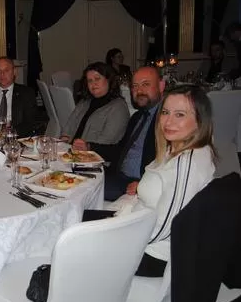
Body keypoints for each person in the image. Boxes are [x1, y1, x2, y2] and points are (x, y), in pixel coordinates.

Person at [113, 84, 216, 277]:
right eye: (165, 112)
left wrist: (121, 239)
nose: (168, 121)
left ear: (199, 120)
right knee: (77, 221)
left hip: (154, 253)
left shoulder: (187, 161)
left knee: (73, 249)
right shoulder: (175, 147)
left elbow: (169, 226)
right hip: (139, 230)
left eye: (180, 114)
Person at [80, 66, 165, 201]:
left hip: (136, 182)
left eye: (145, 84)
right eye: (135, 86)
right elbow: (119, 150)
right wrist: (90, 147)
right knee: (75, 178)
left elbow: (170, 163)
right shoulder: (137, 117)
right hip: (117, 175)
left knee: (81, 191)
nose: (139, 91)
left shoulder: (167, 120)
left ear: (161, 86)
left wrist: (145, 184)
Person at [62, 62, 129, 148]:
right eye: (90, 81)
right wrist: (63, 141)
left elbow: (106, 143)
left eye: (97, 79)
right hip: (71, 151)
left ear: (109, 80)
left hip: (92, 154)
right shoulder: (84, 102)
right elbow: (68, 127)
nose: (93, 83)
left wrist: (86, 147)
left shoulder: (118, 108)